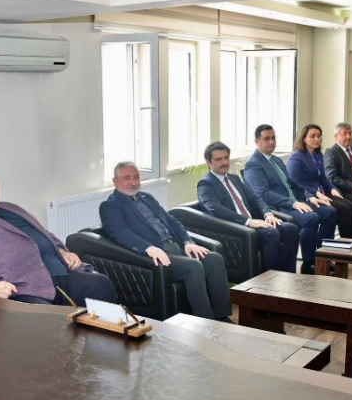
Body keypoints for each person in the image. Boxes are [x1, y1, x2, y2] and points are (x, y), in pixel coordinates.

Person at [0, 160, 117, 307]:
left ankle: (102, 342)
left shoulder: (12, 208)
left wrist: (62, 250)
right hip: (23, 289)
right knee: (45, 319)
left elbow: (44, 233)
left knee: (101, 285)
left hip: (59, 273)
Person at [100, 161, 233, 321]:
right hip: (155, 257)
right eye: (127, 178)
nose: (133, 182)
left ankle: (222, 317)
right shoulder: (110, 206)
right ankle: (206, 322)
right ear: (115, 181)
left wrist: (187, 242)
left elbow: (171, 221)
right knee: (193, 266)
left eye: (136, 177)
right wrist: (148, 248)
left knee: (214, 259)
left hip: (176, 247)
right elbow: (120, 232)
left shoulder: (147, 198)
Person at [243, 124, 338, 274]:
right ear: (257, 142)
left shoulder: (276, 160)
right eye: (267, 139)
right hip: (280, 208)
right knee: (310, 218)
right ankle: (308, 263)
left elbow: (293, 183)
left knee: (330, 212)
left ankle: (323, 258)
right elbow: (263, 194)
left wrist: (309, 196)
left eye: (273, 138)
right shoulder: (253, 164)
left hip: (297, 201)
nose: (271, 142)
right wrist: (293, 203)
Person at [198, 141, 300, 273]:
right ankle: (272, 279)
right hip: (234, 228)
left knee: (291, 229)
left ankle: (287, 274)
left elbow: (254, 198)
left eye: (226, 158)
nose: (224, 162)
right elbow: (215, 209)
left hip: (253, 222)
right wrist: (247, 221)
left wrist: (268, 214)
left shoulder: (234, 178)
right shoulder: (206, 184)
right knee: (271, 233)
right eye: (218, 159)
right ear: (209, 162)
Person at [287, 123, 352, 239]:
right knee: (343, 209)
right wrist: (316, 193)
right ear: (304, 138)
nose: (317, 139)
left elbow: (322, 178)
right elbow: (295, 183)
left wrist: (332, 189)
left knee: (351, 206)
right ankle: (342, 243)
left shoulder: (318, 154)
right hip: (306, 196)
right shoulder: (296, 157)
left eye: (319, 136)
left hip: (322, 193)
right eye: (312, 136)